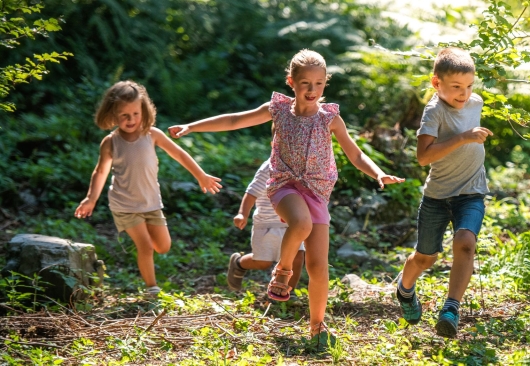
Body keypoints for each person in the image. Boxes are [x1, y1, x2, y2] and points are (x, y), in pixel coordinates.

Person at [168, 49, 405, 347]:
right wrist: (192, 126)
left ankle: (317, 326)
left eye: (319, 84)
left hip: (317, 191)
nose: (312, 90)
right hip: (284, 185)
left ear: (325, 84)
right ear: (291, 82)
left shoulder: (330, 118)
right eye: (305, 83)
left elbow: (354, 153)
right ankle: (282, 271)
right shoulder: (277, 109)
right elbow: (233, 121)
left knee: (319, 267)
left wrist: (378, 173)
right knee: (301, 223)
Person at [74, 80, 222, 298]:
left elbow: (179, 153)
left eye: (135, 113)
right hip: (124, 205)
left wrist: (200, 174)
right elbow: (100, 172)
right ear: (113, 115)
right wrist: (91, 198)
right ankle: (152, 288)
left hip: (151, 203)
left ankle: (146, 247)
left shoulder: (152, 135)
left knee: (163, 246)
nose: (131, 119)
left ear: (143, 110)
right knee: (146, 246)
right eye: (124, 115)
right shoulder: (110, 142)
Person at [395, 47, 492, 338]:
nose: (464, 94)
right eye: (456, 87)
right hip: (437, 197)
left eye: (469, 86)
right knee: (426, 258)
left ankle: (451, 308)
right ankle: (404, 289)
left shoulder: (476, 103)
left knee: (465, 242)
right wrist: (463, 138)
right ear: (436, 84)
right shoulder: (433, 112)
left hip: (472, 192)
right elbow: (424, 157)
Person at [227, 159, 305, 297]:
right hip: (267, 223)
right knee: (263, 262)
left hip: (293, 223)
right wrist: (242, 214)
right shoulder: (269, 167)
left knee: (298, 257)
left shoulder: (304, 165)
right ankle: (238, 263)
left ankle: (288, 292)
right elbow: (252, 192)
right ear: (274, 144)